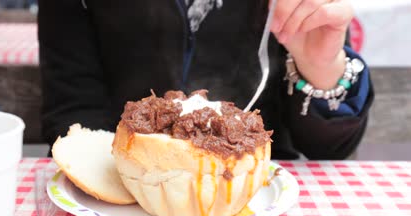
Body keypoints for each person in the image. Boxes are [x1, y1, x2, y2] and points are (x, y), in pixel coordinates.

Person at [38, 0, 374, 160]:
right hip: (124, 190)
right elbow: (72, 114)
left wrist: (320, 65)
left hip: (257, 199)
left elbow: (329, 147)